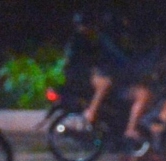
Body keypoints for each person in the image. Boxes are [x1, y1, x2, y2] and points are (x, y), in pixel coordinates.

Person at [64, 10, 150, 147]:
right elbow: (115, 59)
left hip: (108, 77)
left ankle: (129, 129)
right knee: (106, 83)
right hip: (87, 78)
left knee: (141, 92)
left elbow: (118, 58)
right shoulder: (83, 41)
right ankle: (92, 113)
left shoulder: (98, 40)